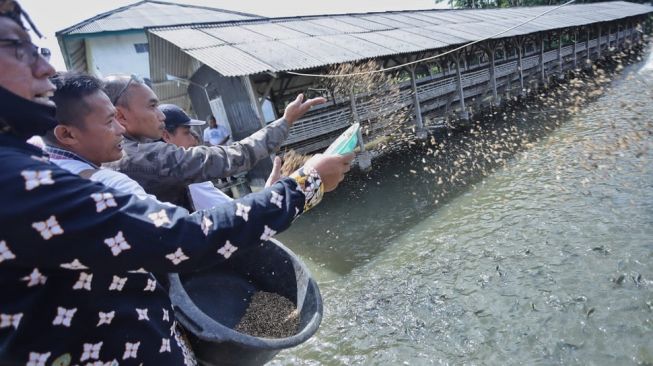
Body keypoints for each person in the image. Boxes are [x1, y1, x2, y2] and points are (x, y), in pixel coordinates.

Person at [0, 3, 354, 364]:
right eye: (15, 46)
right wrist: (305, 184)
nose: (43, 66)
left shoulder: (41, 165)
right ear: (68, 134)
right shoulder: (25, 180)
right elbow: (183, 234)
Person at [103, 74, 322, 210]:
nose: (160, 116)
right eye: (152, 107)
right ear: (121, 116)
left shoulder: (119, 157)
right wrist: (285, 122)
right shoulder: (147, 157)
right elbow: (235, 156)